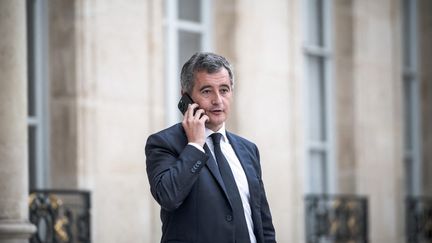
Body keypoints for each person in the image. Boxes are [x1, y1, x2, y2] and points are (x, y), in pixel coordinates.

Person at [145, 52, 276, 243]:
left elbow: (263, 222)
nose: (218, 100)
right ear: (186, 97)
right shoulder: (163, 143)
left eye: (224, 90)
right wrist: (195, 146)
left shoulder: (249, 150)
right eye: (207, 91)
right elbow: (168, 197)